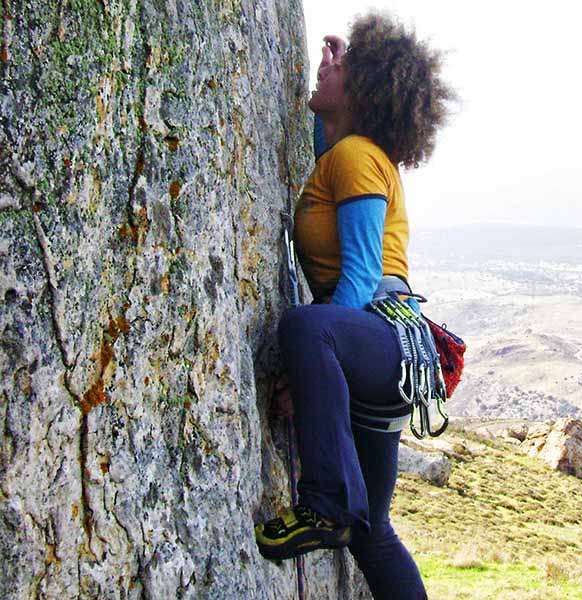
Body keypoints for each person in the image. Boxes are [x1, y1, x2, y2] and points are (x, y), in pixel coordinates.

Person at [254, 12, 454, 600]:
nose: (324, 70)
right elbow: (327, 154)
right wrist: (332, 73)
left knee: (304, 325)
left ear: (364, 91)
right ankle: (346, 512)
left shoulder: (358, 157)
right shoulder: (346, 154)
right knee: (374, 534)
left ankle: (325, 503)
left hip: (376, 337)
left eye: (341, 70)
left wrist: (314, 362)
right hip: (391, 358)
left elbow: (363, 274)